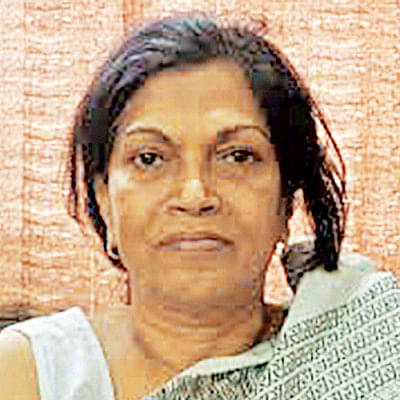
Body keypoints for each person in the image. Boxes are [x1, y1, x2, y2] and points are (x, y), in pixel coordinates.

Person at [0, 12, 398, 400]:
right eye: (150, 159)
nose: (195, 195)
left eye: (238, 156)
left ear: (286, 201)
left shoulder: (366, 348)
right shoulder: (28, 372)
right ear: (104, 202)